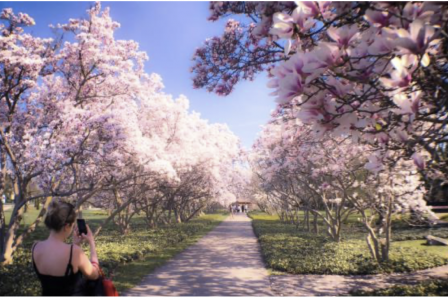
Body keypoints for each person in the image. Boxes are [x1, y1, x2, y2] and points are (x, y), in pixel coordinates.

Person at [32, 201, 100, 296]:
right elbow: (94, 275)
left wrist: (76, 244)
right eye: (72, 225)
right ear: (67, 226)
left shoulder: (35, 247)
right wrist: (91, 243)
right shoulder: (74, 252)